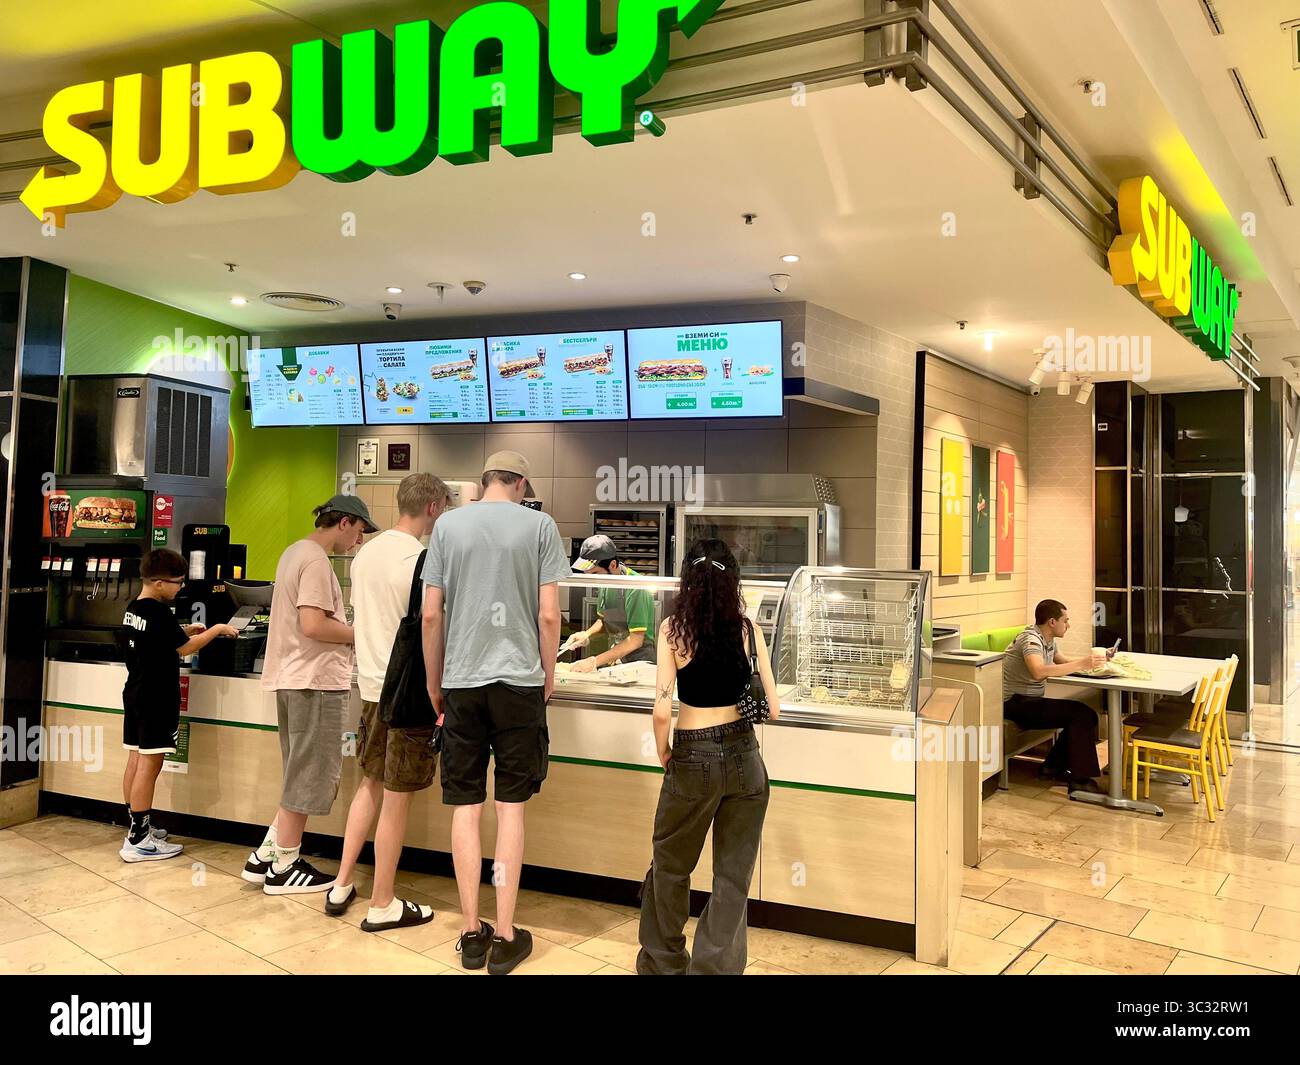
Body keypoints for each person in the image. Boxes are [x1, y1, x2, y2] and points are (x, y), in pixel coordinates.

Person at [422, 450, 570, 974]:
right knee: (511, 809)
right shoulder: (540, 525)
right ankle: (505, 935)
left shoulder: (447, 527)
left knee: (466, 807)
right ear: (521, 482)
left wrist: (433, 679)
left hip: (461, 683)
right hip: (518, 682)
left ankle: (469, 931)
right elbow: (549, 614)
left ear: (483, 481)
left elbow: (431, 614)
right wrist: (547, 672)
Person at [637, 538, 780, 975]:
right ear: (731, 580)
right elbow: (772, 709)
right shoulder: (749, 630)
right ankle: (713, 969)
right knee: (732, 879)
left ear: (689, 581)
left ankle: (664, 962)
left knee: (670, 864)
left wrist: (665, 752)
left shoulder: (673, 630)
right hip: (745, 758)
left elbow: (663, 709)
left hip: (693, 754)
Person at [326, 474, 451, 930]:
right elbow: (431, 625)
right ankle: (382, 903)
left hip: (371, 687)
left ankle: (342, 882)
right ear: (435, 507)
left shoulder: (364, 554)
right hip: (410, 693)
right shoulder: (422, 559)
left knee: (369, 783)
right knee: (397, 799)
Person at [243, 493, 377, 894]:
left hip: (291, 677)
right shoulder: (317, 561)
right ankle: (285, 864)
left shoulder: (293, 552)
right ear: (345, 522)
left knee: (297, 768)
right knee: (310, 772)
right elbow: (315, 626)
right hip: (314, 681)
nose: (359, 540)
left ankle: (266, 853)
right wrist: (363, 634)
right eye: (360, 531)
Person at [119, 549, 237, 863]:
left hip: (134, 692)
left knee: (135, 759)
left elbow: (156, 639)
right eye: (177, 582)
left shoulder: (135, 608)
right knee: (150, 765)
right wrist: (217, 630)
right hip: (156, 697)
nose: (180, 588)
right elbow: (184, 650)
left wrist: (182, 629)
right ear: (158, 583)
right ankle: (139, 841)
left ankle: (135, 827)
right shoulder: (158, 612)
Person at [1002, 599, 1110, 794]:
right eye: (1065, 621)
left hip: (1029, 701)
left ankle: (1052, 766)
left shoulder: (1048, 640)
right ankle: (1079, 780)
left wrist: (1096, 660)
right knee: (1081, 714)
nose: (1068, 625)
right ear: (1052, 622)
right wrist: (1082, 664)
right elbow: (1038, 671)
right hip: (1014, 703)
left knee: (1086, 714)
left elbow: (1063, 661)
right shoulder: (1031, 639)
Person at [568, 534, 657, 671]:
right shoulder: (605, 582)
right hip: (618, 658)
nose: (592, 580)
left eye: (595, 574)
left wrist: (594, 661)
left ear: (613, 565)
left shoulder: (635, 588)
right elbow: (603, 621)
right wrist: (586, 634)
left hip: (641, 662)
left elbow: (635, 640)